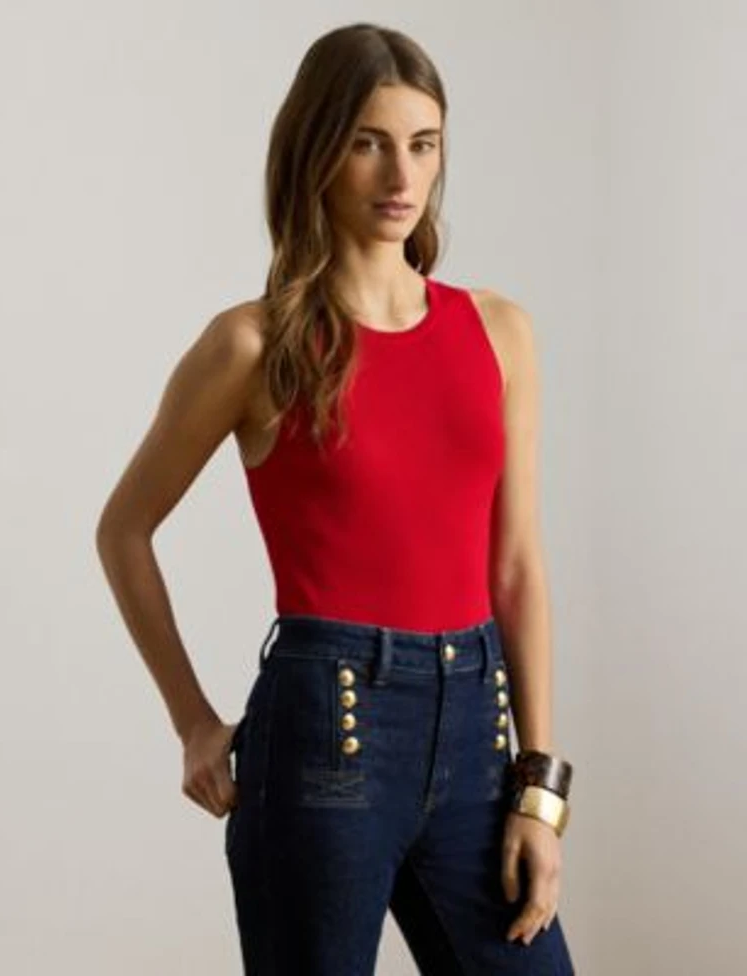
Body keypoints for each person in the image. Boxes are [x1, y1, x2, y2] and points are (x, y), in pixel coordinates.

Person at [95, 21, 576, 976]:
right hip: (327, 736)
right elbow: (124, 531)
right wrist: (192, 721)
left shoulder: (498, 332)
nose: (402, 175)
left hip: (480, 740)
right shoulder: (253, 347)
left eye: (423, 145)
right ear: (315, 151)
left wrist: (541, 790)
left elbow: (516, 567)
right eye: (368, 143)